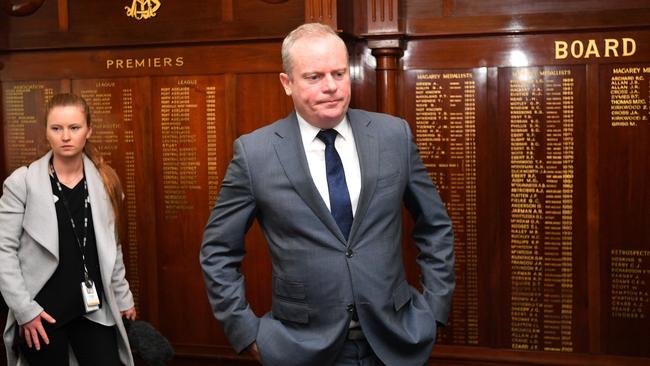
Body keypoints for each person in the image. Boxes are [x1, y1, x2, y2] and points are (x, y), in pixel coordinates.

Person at [200, 23, 455, 366]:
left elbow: (434, 226)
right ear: (287, 83)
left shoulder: (393, 135)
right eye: (314, 77)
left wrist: (434, 310)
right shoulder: (254, 153)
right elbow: (217, 250)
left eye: (339, 73)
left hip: (397, 341)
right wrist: (246, 332)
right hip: (300, 349)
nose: (331, 87)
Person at [0, 93, 137, 366]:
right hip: (42, 313)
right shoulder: (23, 182)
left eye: (74, 128)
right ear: (46, 133)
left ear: (88, 131)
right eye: (57, 128)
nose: (66, 136)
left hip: (92, 308)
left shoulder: (106, 181)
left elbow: (114, 246)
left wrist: (123, 297)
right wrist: (25, 311)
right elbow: (3, 252)